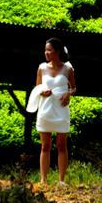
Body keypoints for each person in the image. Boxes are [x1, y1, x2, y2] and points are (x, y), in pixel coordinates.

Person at [32, 37, 77, 186]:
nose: (46, 52)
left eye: (49, 50)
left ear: (57, 51)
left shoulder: (68, 68)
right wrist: (42, 92)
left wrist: (68, 94)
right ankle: (43, 180)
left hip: (61, 109)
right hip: (46, 109)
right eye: (45, 50)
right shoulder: (41, 68)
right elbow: (37, 88)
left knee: (62, 145)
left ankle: (61, 180)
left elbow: (74, 87)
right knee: (45, 145)